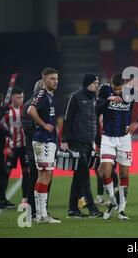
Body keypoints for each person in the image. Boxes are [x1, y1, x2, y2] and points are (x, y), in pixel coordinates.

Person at [97, 72, 138, 220]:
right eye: (115, 89)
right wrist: (108, 100)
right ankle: (113, 202)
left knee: (124, 174)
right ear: (111, 84)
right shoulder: (103, 90)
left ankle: (121, 210)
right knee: (104, 172)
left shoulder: (131, 91)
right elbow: (96, 110)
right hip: (108, 137)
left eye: (120, 89)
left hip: (124, 138)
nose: (118, 92)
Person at [61, 74, 102, 218]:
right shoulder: (76, 97)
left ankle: (72, 210)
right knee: (84, 175)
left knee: (78, 176)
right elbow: (68, 119)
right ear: (87, 84)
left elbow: (95, 122)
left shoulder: (94, 99)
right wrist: (64, 139)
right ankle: (92, 208)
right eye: (94, 83)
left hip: (88, 142)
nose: (97, 85)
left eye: (97, 83)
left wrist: (98, 142)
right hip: (77, 141)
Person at [27, 67, 61, 224]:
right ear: (44, 80)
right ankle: (42, 214)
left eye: (56, 78)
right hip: (43, 139)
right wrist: (44, 125)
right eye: (52, 78)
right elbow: (30, 111)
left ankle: (39, 214)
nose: (55, 81)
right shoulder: (41, 93)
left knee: (42, 176)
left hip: (46, 139)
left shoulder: (49, 95)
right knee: (46, 175)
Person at [4, 86, 30, 206]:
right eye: (18, 97)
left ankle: (25, 198)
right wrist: (6, 147)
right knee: (6, 172)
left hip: (24, 147)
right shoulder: (6, 111)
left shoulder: (26, 109)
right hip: (11, 147)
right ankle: (2, 198)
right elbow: (3, 130)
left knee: (26, 172)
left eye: (22, 97)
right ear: (12, 98)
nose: (21, 100)